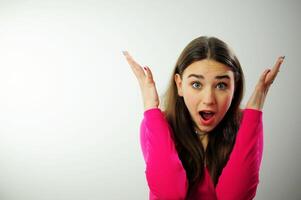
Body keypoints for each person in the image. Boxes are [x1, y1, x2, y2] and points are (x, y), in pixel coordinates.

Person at [122, 36, 284, 200]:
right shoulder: (156, 124)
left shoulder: (247, 125)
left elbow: (235, 197)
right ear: (180, 85)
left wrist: (256, 107)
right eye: (196, 84)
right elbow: (169, 194)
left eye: (221, 85)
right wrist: (150, 106)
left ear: (234, 87)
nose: (208, 99)